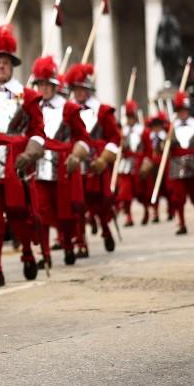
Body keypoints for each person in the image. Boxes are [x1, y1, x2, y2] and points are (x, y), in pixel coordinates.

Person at [0, 24, 45, 286]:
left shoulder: (28, 96)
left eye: (6, 62)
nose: (2, 67)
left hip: (17, 161)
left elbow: (39, 131)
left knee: (19, 213)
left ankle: (28, 253)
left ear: (12, 65)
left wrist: (30, 153)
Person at [30, 56, 90, 267]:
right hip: (38, 163)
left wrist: (76, 154)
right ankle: (44, 254)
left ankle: (68, 245)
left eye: (47, 84)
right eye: (40, 84)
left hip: (64, 164)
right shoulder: (32, 107)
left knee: (65, 212)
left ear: (54, 85)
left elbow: (83, 137)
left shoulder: (69, 108)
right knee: (42, 211)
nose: (43, 88)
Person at [64, 63, 121, 256]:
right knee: (77, 203)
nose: (79, 92)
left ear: (88, 89)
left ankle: (105, 229)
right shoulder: (68, 111)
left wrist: (105, 158)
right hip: (77, 157)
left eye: (82, 88)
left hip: (98, 159)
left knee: (101, 201)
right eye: (76, 89)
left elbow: (114, 137)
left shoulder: (103, 111)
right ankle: (81, 241)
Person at [165, 91, 194, 235]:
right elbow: (164, 148)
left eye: (184, 110)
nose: (182, 113)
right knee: (178, 197)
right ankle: (182, 223)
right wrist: (167, 141)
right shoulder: (171, 127)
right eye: (179, 110)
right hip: (177, 164)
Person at [115, 100, 144, 226]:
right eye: (128, 116)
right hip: (126, 163)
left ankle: (148, 211)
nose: (130, 119)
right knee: (125, 192)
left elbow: (145, 147)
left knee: (141, 191)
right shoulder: (123, 131)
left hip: (138, 162)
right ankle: (129, 216)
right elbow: (119, 147)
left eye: (132, 116)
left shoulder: (142, 130)